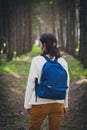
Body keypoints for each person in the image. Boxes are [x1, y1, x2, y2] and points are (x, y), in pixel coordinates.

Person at [24, 33, 70, 130]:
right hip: (58, 103)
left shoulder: (37, 60)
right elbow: (66, 85)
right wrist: (65, 105)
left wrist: (27, 104)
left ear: (44, 45)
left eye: (40, 44)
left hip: (40, 103)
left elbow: (31, 83)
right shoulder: (63, 62)